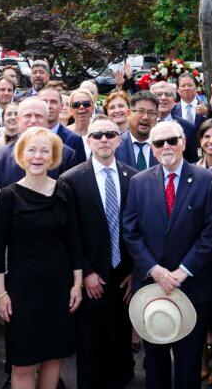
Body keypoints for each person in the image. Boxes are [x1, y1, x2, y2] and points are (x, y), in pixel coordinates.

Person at [122, 119, 212, 389]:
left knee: (189, 363)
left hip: (192, 287)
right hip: (151, 288)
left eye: (172, 140)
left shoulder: (207, 180)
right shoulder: (139, 182)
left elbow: (211, 233)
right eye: (158, 142)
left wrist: (181, 272)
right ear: (152, 149)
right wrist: (155, 270)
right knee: (155, 363)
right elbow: (130, 232)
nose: (166, 146)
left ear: (183, 143)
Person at [0, 127, 82, 389]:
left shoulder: (63, 190)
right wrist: (0, 294)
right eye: (32, 150)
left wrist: (77, 285)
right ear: (21, 155)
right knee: (22, 363)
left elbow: (73, 240)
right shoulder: (8, 196)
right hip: (22, 291)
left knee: (54, 357)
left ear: (53, 157)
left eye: (45, 151)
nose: (38, 156)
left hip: (59, 287)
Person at [60, 118, 138, 389]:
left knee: (120, 341)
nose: (104, 139)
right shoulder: (70, 179)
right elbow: (69, 233)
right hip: (90, 275)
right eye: (97, 135)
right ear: (88, 141)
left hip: (123, 276)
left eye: (110, 134)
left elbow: (139, 228)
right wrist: (86, 272)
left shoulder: (134, 177)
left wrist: (134, 271)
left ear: (119, 139)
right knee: (90, 344)